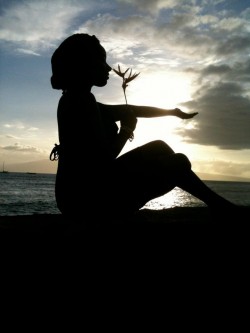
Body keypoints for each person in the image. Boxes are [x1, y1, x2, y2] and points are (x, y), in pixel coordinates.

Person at [50, 33, 236, 223]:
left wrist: (172, 111)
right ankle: (221, 207)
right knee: (178, 162)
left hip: (80, 194)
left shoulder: (78, 99)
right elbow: (103, 160)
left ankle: (217, 205)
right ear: (84, 64)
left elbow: (132, 110)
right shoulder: (81, 102)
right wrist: (127, 130)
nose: (108, 68)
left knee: (160, 147)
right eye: (101, 61)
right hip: (84, 202)